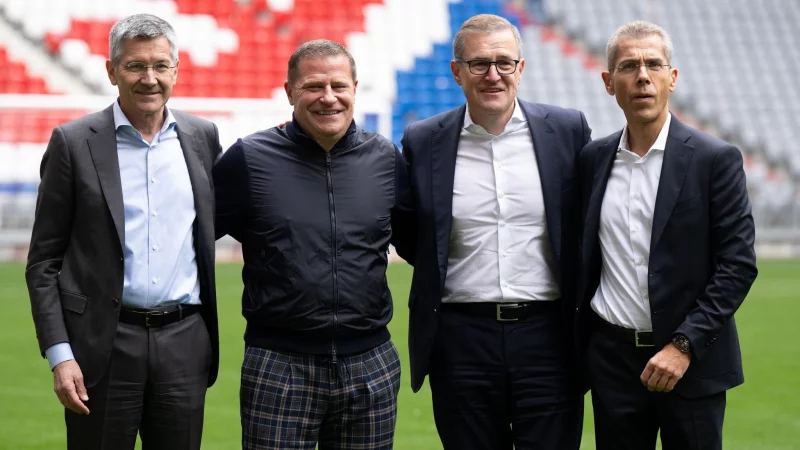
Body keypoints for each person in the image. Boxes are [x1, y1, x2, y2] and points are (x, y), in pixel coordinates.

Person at [25, 13, 221, 450]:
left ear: (176, 69)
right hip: (102, 345)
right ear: (112, 70)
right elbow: (43, 263)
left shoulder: (202, 137)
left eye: (159, 65)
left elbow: (223, 215)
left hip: (184, 343)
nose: (148, 78)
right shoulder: (73, 143)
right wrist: (60, 354)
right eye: (135, 65)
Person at [400, 14, 591, 450]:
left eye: (504, 63)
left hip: (549, 337)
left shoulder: (567, 130)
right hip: (460, 339)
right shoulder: (423, 140)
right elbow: (411, 233)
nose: (493, 75)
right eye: (479, 63)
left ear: (521, 69)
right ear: (456, 71)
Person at [212, 39, 415, 450]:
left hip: (370, 363)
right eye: (313, 86)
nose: (328, 98)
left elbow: (420, 246)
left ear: (355, 88)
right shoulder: (248, 159)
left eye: (338, 86)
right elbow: (193, 242)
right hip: (278, 364)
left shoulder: (386, 159)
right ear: (289, 92)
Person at [576, 20, 758, 450]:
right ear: (608, 82)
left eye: (654, 64)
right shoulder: (592, 160)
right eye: (628, 66)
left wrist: (684, 345)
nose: (642, 75)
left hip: (690, 363)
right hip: (613, 364)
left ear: (671, 78)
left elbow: (737, 265)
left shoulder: (716, 159)